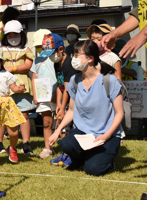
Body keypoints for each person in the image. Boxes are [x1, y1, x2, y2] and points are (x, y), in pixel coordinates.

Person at [49, 40, 124, 176]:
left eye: (77, 55)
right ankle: (80, 159)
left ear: (90, 58)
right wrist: (57, 131)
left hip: (106, 134)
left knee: (93, 170)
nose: (74, 59)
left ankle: (104, 159)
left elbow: (119, 113)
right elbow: (71, 110)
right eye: (73, 55)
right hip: (84, 133)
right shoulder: (75, 80)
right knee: (66, 144)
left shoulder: (109, 80)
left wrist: (106, 136)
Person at [0, 20, 36, 155]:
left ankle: (26, 143)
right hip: (4, 86)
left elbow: (27, 66)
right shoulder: (0, 50)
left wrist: (10, 68)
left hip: (22, 85)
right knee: (3, 115)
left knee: (23, 114)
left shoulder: (26, 50)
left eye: (15, 34)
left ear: (22, 35)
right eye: (9, 35)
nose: (13, 38)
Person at [38, 33, 76, 166]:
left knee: (67, 127)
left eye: (51, 53)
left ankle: (70, 155)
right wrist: (59, 104)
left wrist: (64, 107)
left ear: (61, 50)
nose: (49, 56)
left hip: (74, 100)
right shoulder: (56, 64)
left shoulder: (69, 64)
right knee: (62, 126)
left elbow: (68, 88)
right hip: (65, 97)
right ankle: (65, 153)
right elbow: (60, 86)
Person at [30, 33, 57, 159]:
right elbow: (34, 77)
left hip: (58, 94)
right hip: (43, 95)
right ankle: (48, 148)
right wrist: (35, 95)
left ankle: (65, 148)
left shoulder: (57, 57)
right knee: (46, 122)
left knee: (60, 122)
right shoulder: (37, 60)